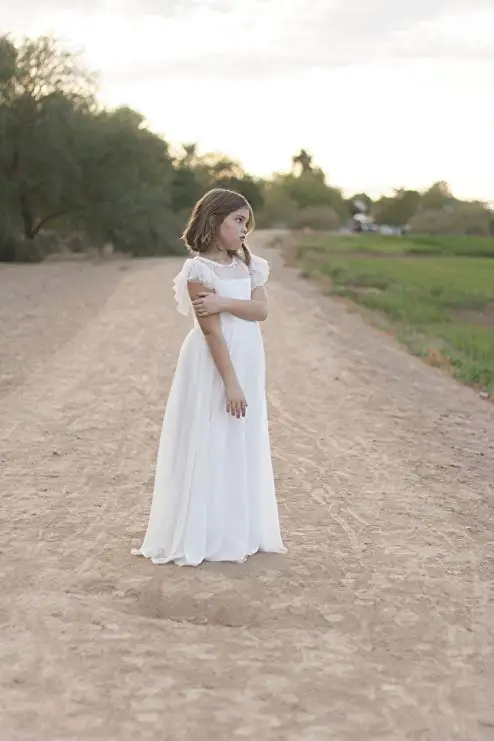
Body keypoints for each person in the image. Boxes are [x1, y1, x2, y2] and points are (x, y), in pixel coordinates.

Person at [132, 188, 286, 566]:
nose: (244, 229)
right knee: (213, 433)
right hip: (215, 363)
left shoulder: (251, 265)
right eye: (237, 221)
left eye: (246, 222)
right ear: (214, 221)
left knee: (241, 436)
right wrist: (231, 381)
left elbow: (261, 311)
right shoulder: (198, 270)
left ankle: (241, 529)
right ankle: (209, 531)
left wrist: (224, 302)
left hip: (249, 355)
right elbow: (212, 332)